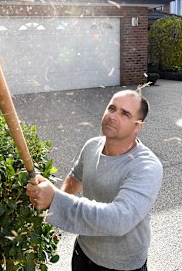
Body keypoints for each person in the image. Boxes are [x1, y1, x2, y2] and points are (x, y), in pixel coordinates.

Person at [26, 89, 163, 271]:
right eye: (112, 108)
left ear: (137, 126)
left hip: (122, 264)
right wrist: (52, 219)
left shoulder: (147, 167)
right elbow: (75, 178)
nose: (113, 116)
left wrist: (54, 200)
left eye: (124, 113)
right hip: (83, 251)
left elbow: (119, 220)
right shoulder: (92, 145)